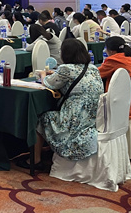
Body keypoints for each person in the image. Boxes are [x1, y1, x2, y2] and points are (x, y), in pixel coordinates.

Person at [19, 39, 103, 169]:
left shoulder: (66, 69)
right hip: (92, 118)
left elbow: (48, 83)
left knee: (42, 118)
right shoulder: (93, 68)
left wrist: (43, 74)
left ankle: (35, 160)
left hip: (74, 121)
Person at [99, 36, 131, 118]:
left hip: (129, 109)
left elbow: (97, 74)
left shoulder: (115, 60)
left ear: (111, 51)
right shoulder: (129, 59)